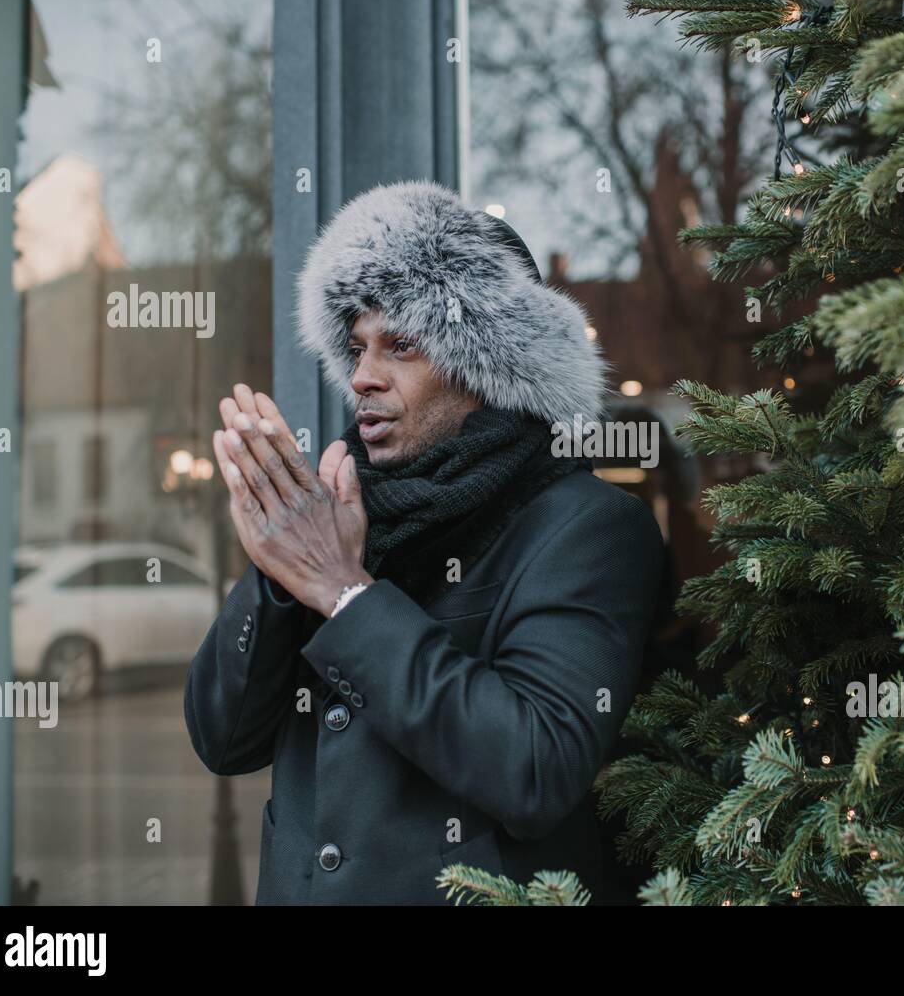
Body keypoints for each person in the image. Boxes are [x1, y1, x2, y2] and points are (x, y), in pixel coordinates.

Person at [184, 180, 665, 904]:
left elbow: (537, 768)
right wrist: (281, 570)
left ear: (487, 364)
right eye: (356, 347)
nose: (362, 378)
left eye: (400, 346)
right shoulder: (340, 505)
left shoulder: (584, 525)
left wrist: (343, 593)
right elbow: (223, 742)